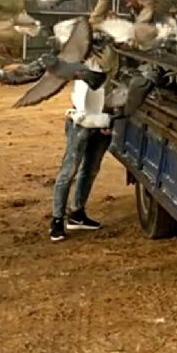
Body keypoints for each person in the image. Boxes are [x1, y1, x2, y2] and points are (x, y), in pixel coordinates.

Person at [50, 79, 112, 242]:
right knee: (69, 171)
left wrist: (109, 120)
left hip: (102, 123)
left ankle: (76, 213)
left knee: (90, 170)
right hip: (81, 122)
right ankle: (57, 220)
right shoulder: (86, 68)